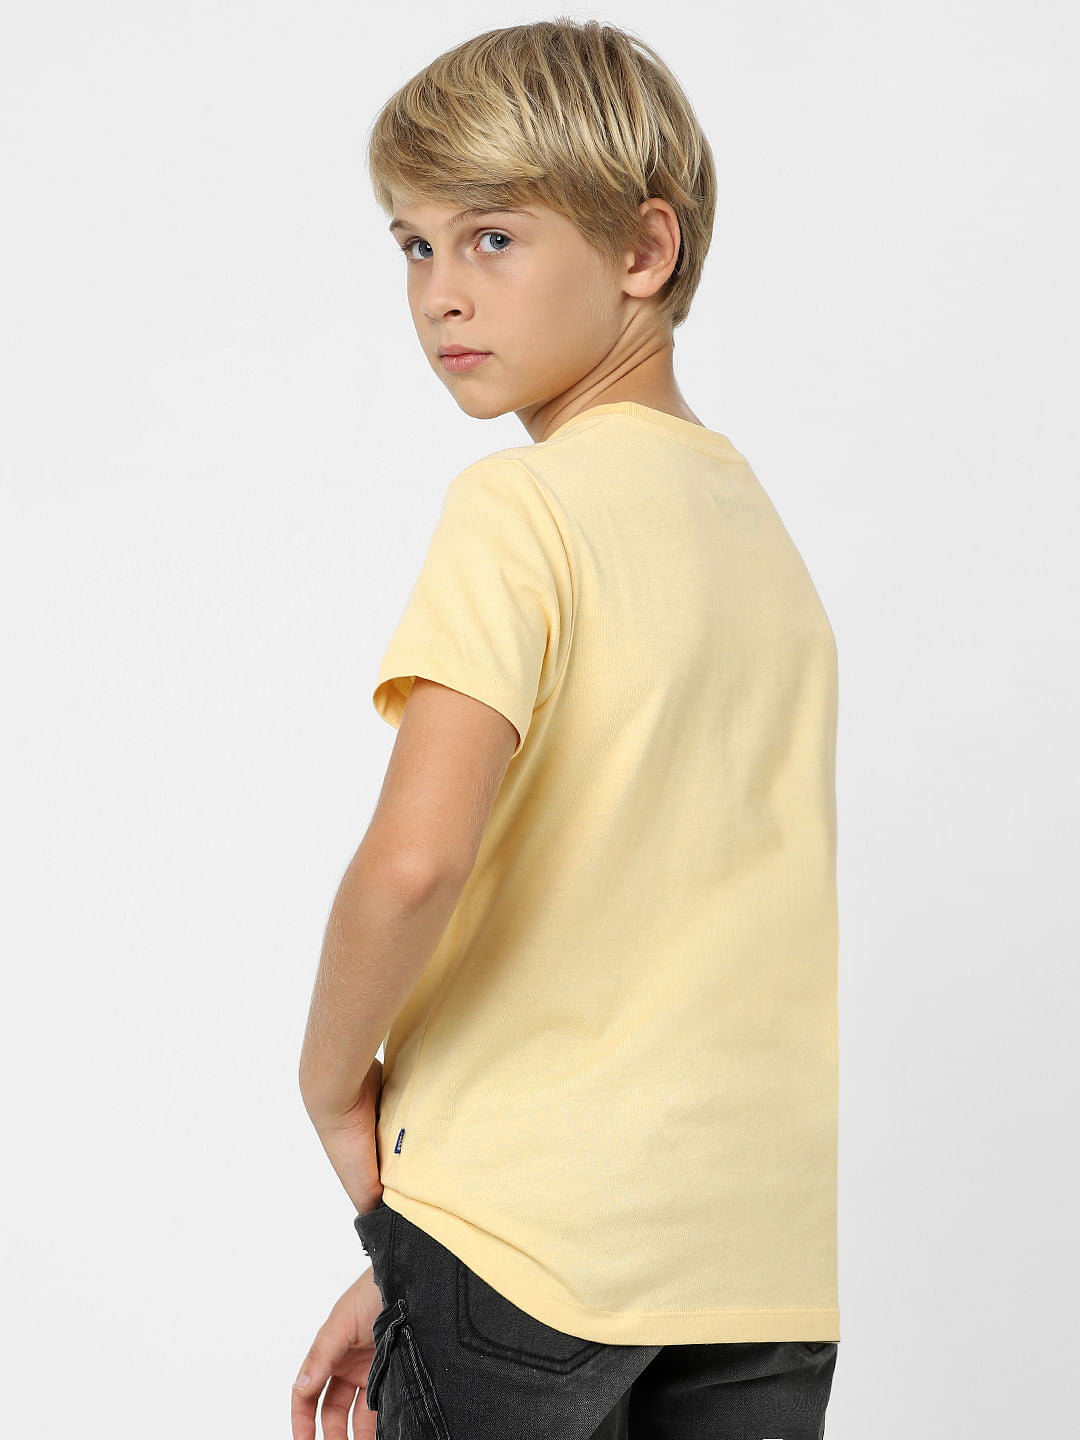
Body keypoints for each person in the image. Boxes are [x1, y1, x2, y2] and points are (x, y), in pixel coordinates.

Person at [291, 17, 840, 1440]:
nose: (440, 295)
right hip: (754, 1264)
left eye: (492, 238)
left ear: (645, 249)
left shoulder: (520, 510)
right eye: (413, 246)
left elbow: (416, 861)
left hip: (528, 1239)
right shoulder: (756, 532)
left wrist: (330, 1085)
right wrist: (408, 1272)